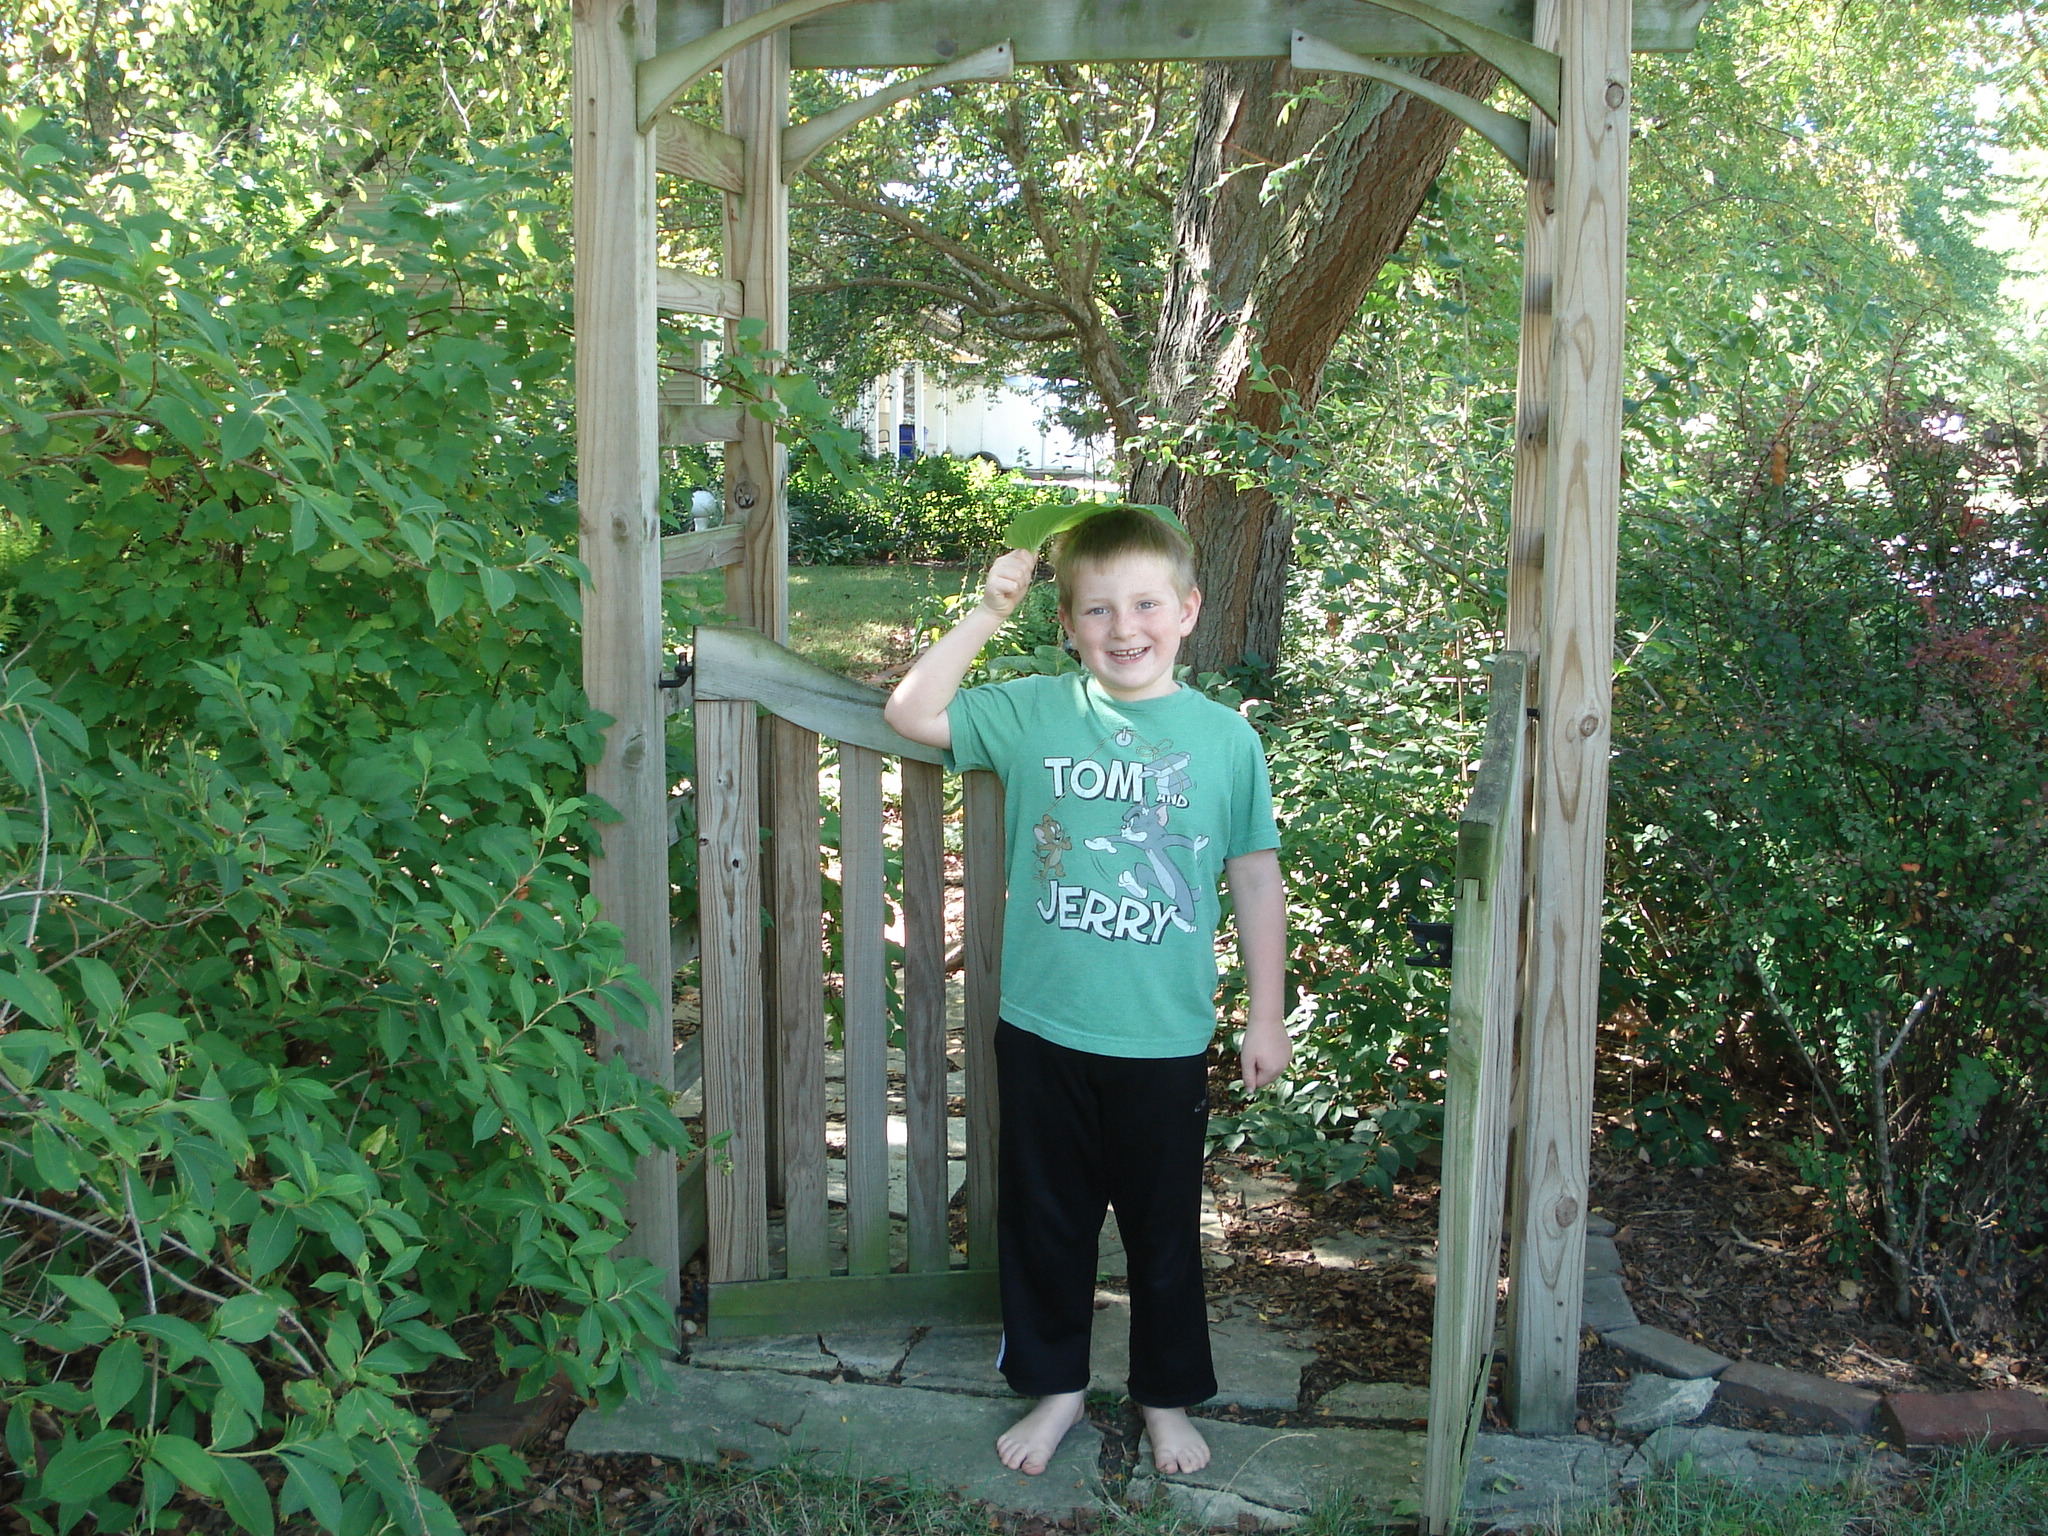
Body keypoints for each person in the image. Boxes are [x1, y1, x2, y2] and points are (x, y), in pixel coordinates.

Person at [883, 508, 1290, 1478]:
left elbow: (1254, 876)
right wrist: (987, 612)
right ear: (1066, 624)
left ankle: (1163, 1399)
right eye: (1097, 609)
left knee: (1162, 1235)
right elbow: (910, 712)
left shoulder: (1224, 741)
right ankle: (1056, 1387)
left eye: (1146, 604)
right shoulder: (1034, 712)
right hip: (1044, 1030)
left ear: (1188, 611)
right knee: (1045, 1225)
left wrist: (1266, 1013)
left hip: (1162, 1039)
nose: (1123, 627)